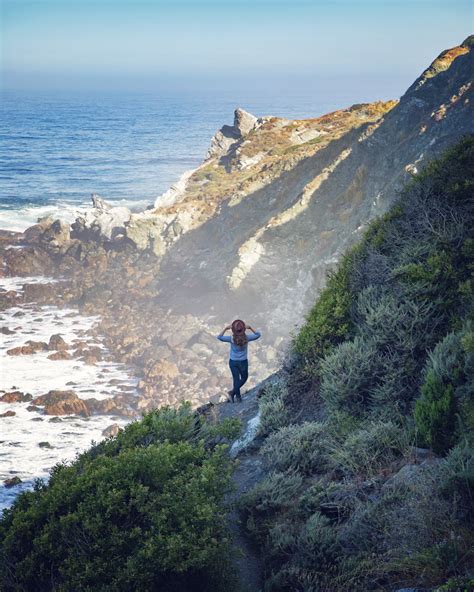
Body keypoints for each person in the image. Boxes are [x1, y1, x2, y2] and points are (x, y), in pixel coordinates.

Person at [217, 319, 261, 403]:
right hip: (243, 362)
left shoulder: (231, 338)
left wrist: (226, 328)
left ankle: (236, 395)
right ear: (244, 329)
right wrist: (250, 328)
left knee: (236, 379)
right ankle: (234, 395)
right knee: (244, 378)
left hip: (233, 361)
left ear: (233, 330)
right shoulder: (247, 338)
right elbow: (258, 334)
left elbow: (219, 337)